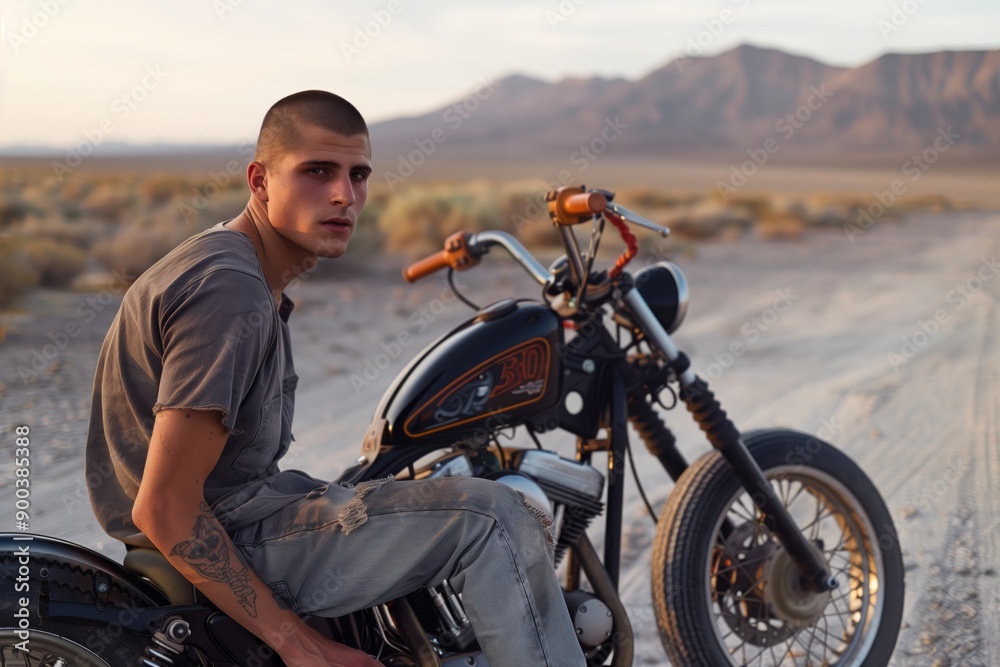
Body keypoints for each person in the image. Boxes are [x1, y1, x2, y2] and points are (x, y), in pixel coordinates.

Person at [85, 90, 585, 666]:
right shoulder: (229, 288)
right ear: (259, 180)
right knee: (497, 518)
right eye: (317, 171)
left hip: (242, 514)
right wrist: (299, 645)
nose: (344, 194)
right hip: (226, 536)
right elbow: (166, 507)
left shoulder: (237, 268)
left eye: (358, 174)